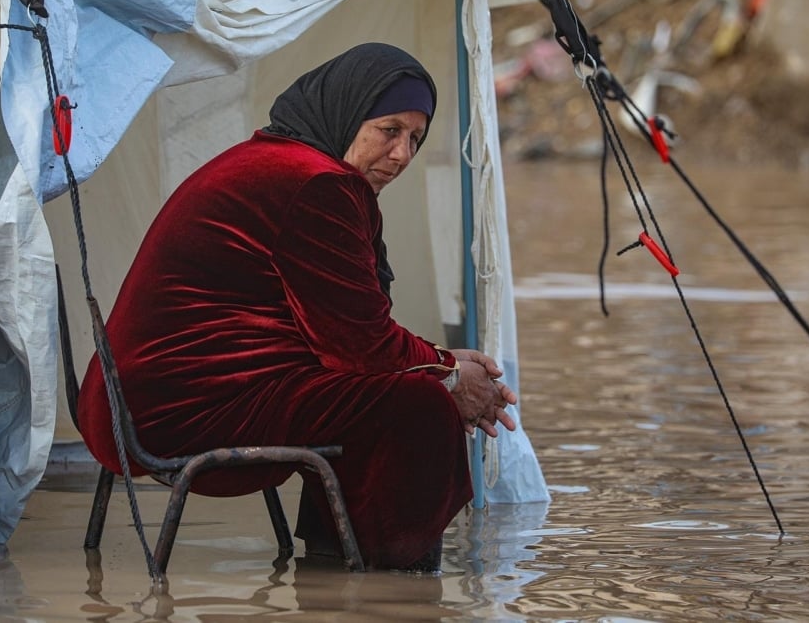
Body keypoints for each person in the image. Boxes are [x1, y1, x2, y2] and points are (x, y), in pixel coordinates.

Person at [76, 42, 517, 571]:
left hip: (130, 402)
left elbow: (344, 330)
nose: (402, 154)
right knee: (416, 405)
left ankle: (336, 559)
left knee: (402, 388)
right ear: (348, 112)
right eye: (390, 129)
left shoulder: (277, 161)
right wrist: (449, 374)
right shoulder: (316, 185)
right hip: (178, 412)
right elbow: (363, 348)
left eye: (415, 139)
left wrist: (444, 364)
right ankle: (384, 581)